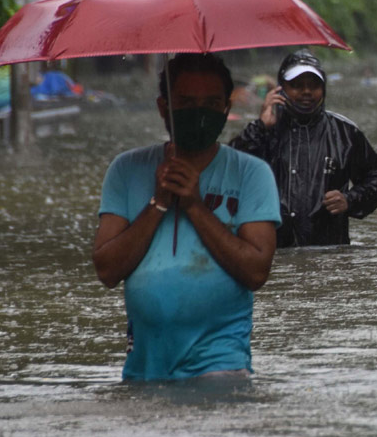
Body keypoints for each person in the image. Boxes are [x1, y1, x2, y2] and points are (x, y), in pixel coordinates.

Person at [92, 53, 280, 382]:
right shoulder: (126, 169)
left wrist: (194, 204)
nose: (200, 111)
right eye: (186, 101)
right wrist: (159, 203)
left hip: (222, 362)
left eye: (211, 102)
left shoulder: (252, 173)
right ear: (164, 108)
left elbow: (255, 271)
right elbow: (107, 269)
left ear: (226, 107)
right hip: (145, 365)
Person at [230, 50, 377, 248]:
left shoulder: (344, 133)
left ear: (323, 89)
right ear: (281, 89)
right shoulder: (263, 131)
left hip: (329, 252)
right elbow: (229, 171)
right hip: (271, 250)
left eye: (313, 85)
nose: (306, 91)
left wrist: (350, 200)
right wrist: (260, 128)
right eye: (296, 85)